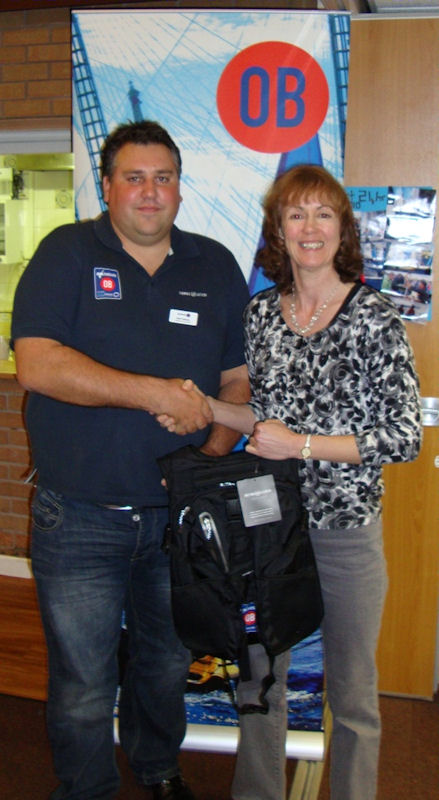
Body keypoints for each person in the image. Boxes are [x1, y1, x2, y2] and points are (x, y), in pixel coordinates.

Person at [160, 164, 422, 800]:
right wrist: (203, 407)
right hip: (267, 526)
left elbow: (404, 436)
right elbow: (262, 419)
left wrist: (303, 445)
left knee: (355, 694)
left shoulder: (375, 318)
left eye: (323, 214)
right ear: (279, 229)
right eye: (296, 214)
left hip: (344, 533)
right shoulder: (261, 315)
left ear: (341, 229)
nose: (310, 228)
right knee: (258, 682)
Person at [11, 120, 250, 800]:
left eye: (164, 178)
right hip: (80, 512)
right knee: (84, 678)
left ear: (180, 189)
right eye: (135, 177)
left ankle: (158, 768)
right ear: (109, 187)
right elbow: (38, 364)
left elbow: (237, 378)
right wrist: (156, 394)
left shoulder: (214, 264)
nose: (150, 193)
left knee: (166, 663)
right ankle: (86, 788)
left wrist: (209, 448)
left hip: (180, 518)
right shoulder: (67, 253)